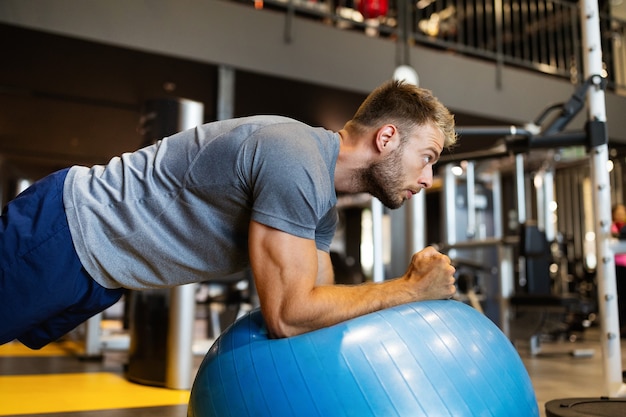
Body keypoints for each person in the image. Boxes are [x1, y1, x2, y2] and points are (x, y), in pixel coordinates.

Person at [0, 79, 458, 349]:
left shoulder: (321, 206)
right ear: (387, 138)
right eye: (429, 155)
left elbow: (317, 312)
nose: (427, 176)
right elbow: (289, 314)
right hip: (65, 230)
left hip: (101, 272)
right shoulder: (293, 158)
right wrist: (409, 290)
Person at [611, 203, 626, 336]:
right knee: (620, 298)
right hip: (617, 266)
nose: (621, 214)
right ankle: (620, 326)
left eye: (623, 211)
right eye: (618, 212)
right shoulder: (612, 228)